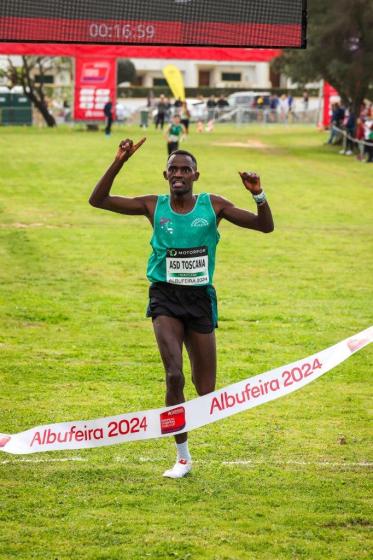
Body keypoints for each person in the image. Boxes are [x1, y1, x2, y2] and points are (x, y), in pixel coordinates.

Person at [89, 139, 274, 478]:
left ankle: (186, 433)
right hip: (165, 298)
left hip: (199, 299)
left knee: (206, 391)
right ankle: (183, 457)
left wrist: (258, 194)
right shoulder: (152, 205)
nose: (178, 174)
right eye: (173, 169)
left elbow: (265, 226)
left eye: (185, 169)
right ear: (165, 175)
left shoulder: (213, 206)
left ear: (195, 175)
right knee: (173, 375)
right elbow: (98, 200)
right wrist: (119, 160)